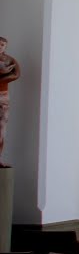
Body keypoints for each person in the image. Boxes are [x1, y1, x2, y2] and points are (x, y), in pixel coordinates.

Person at [0, 37, 21, 165]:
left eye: (3, 45)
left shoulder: (10, 60)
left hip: (3, 95)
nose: (1, 47)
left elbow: (16, 74)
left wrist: (3, 76)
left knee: (2, 128)